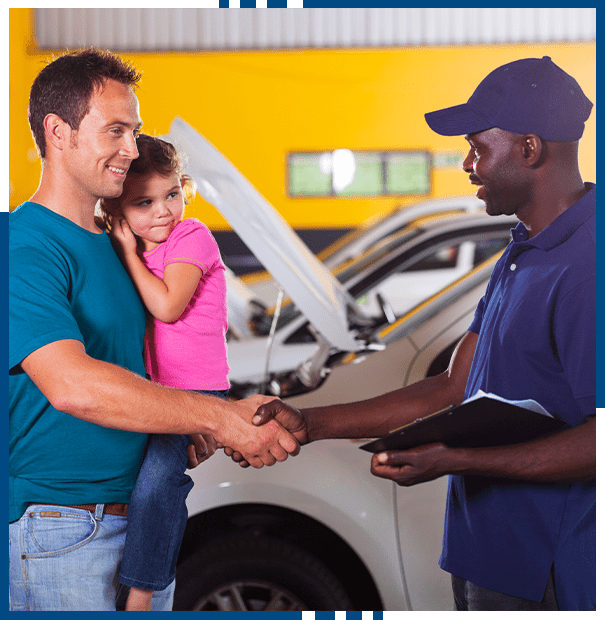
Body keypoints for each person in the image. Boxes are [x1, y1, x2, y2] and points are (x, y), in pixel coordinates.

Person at [245, 56, 596, 611]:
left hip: (550, 571)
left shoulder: (589, 264)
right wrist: (309, 423)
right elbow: (451, 388)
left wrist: (458, 459)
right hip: (484, 556)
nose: (467, 163)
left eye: (479, 147)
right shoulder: (522, 250)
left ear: (529, 150)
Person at [9, 48, 299, 612]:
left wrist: (188, 426)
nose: (131, 149)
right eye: (115, 131)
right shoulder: (24, 246)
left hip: (137, 523)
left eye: (135, 131)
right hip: (60, 531)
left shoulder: (120, 242)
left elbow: (145, 367)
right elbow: (73, 386)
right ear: (57, 132)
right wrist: (220, 415)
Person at [96, 132, 231, 611]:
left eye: (172, 193)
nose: (163, 211)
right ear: (118, 215)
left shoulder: (191, 236)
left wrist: (129, 254)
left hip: (195, 388)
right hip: (158, 391)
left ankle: (143, 590)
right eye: (144, 203)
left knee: (159, 484)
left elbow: (169, 307)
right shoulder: (143, 246)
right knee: (151, 480)